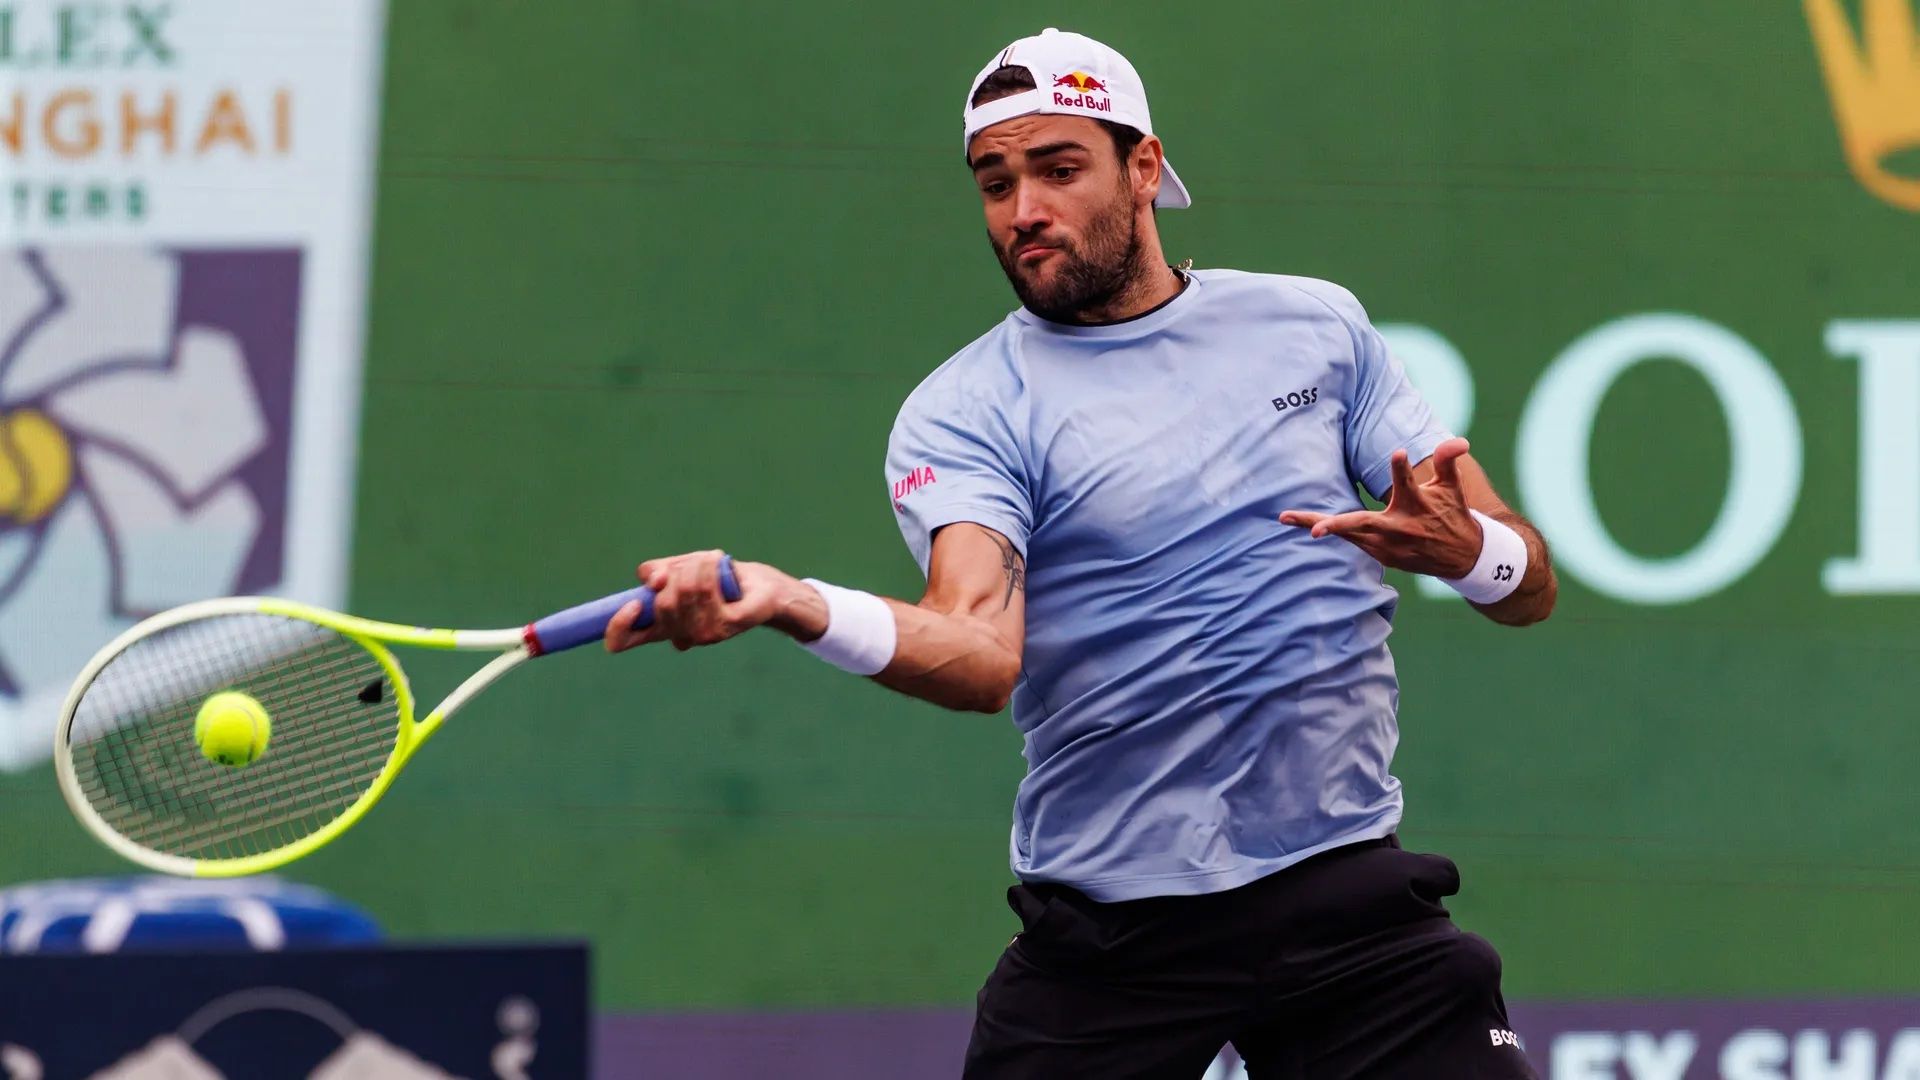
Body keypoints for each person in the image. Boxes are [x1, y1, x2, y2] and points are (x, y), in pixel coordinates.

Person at [608, 26, 1555, 1079]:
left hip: (1346, 908)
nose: (1024, 213)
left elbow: (1527, 583)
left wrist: (1472, 555)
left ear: (1144, 168)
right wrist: (793, 600)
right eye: (995, 181)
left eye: (1059, 171)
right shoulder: (965, 412)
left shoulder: (1316, 329)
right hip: (1113, 945)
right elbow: (977, 652)